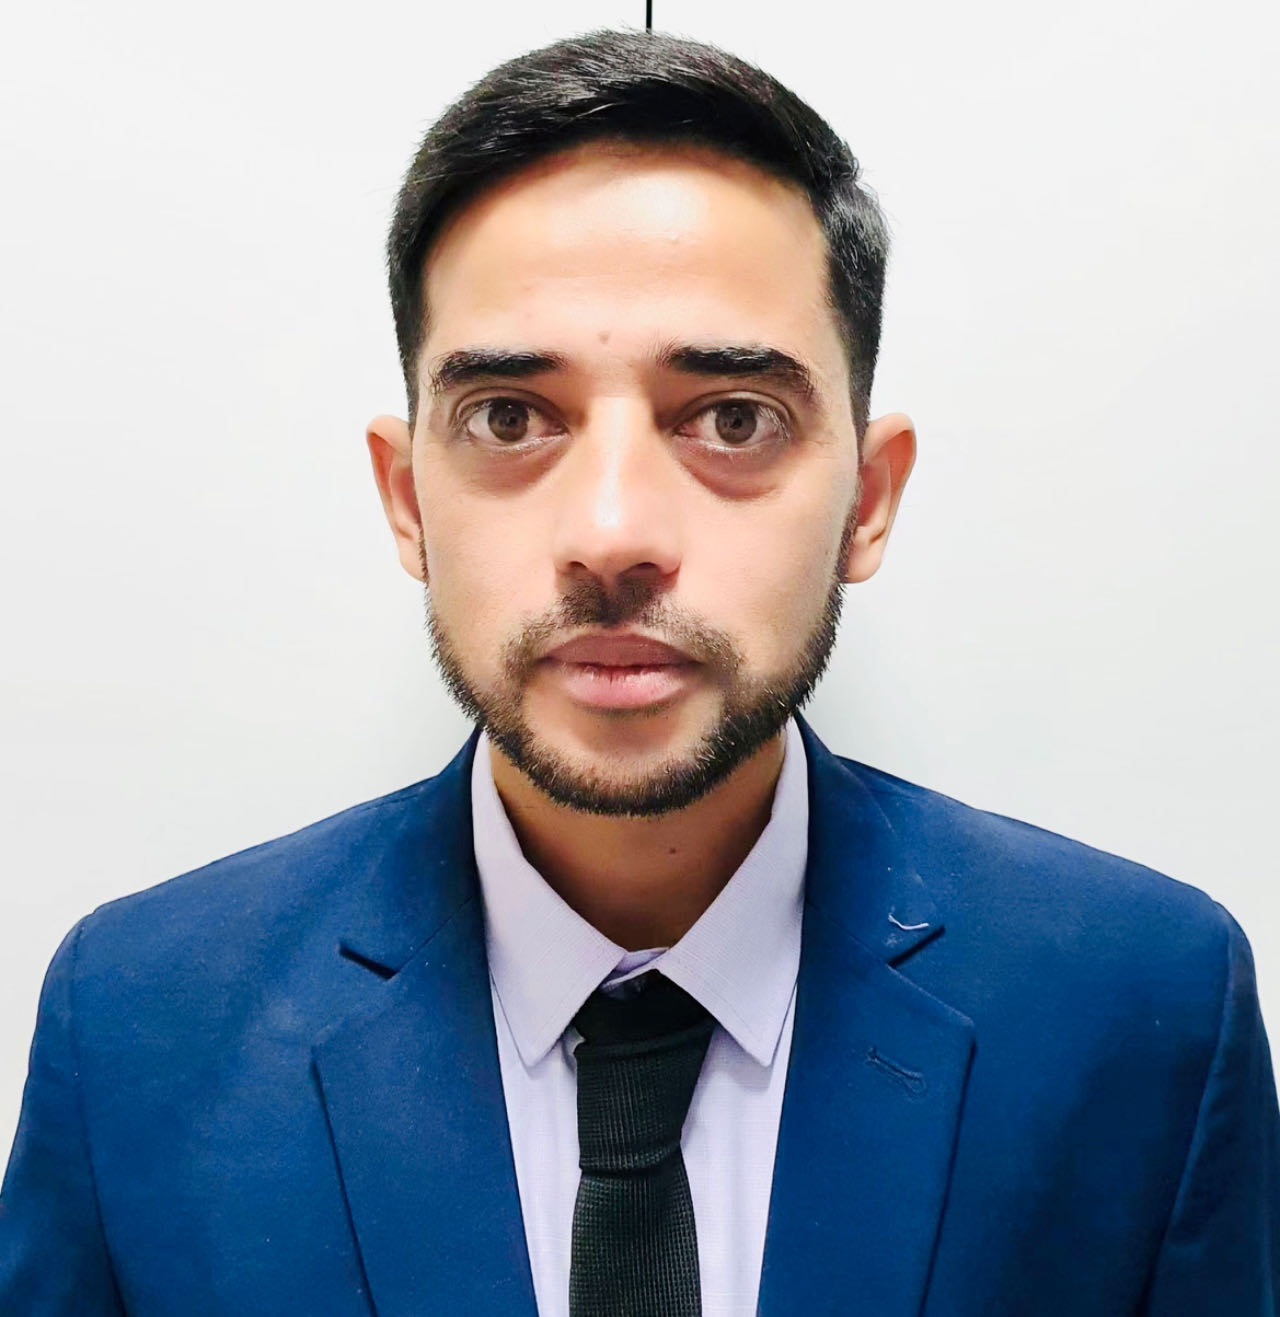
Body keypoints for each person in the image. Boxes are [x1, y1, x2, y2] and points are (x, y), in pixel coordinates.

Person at [1, 25, 1276, 1316]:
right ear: (406, 499)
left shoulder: (1145, 1010)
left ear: (869, 501)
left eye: (734, 418)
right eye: (509, 417)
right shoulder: (139, 1029)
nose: (612, 533)